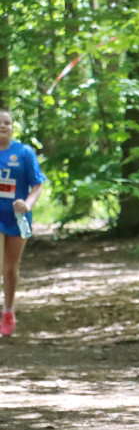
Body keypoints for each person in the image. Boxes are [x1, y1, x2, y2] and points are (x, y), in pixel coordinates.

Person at [0, 108, 46, 337]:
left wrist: (27, 203)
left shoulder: (25, 153)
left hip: (17, 218)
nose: (2, 126)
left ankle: (8, 310)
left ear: (12, 127)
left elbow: (37, 185)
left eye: (7, 122)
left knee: (10, 268)